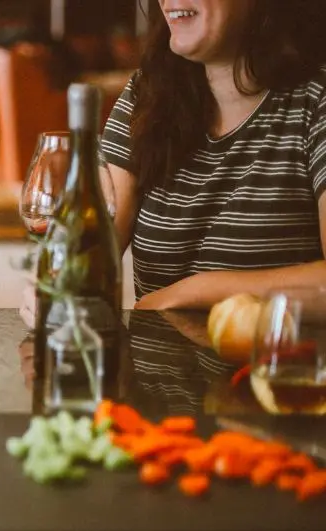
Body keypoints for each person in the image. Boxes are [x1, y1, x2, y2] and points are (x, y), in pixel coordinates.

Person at [101, 0, 325, 310]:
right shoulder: (147, 94)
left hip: (272, 360)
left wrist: (193, 293)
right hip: (159, 360)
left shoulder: (316, 100)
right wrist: (59, 284)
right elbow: (94, 250)